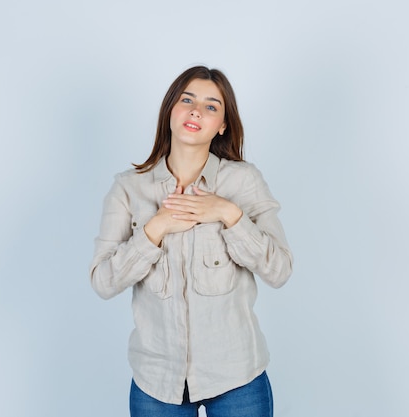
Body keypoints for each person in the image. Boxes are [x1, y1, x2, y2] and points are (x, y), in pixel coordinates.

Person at [90, 65, 293, 417]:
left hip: (237, 377)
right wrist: (155, 228)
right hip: (156, 381)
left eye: (212, 106)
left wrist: (229, 213)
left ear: (222, 125)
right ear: (171, 109)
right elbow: (103, 282)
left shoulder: (244, 182)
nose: (196, 110)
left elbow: (280, 270)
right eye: (187, 100)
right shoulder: (128, 188)